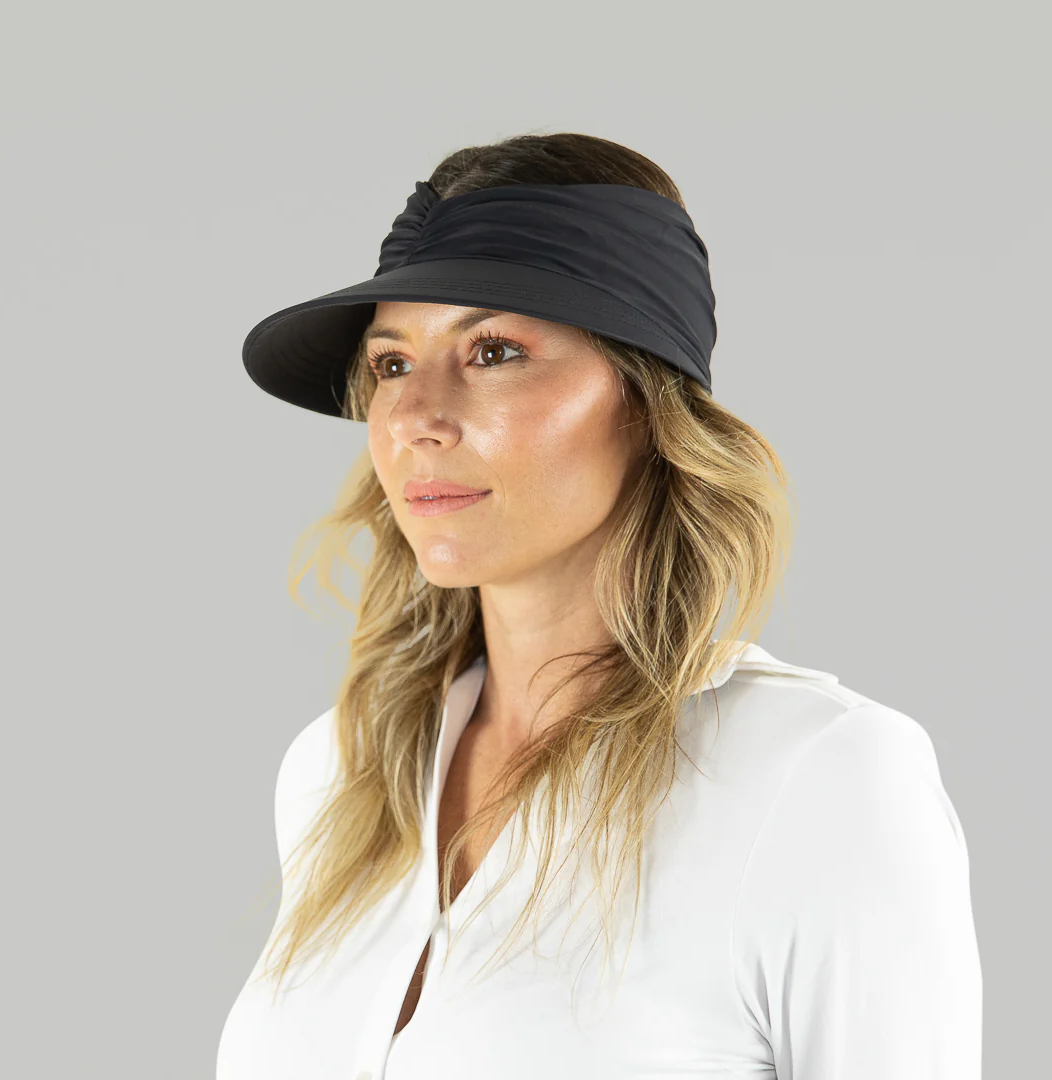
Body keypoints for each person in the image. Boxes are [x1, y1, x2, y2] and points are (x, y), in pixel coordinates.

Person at [217, 133, 982, 1079]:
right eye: (391, 365)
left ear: (647, 401)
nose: (415, 419)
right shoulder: (342, 769)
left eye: (493, 351)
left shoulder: (819, 776)